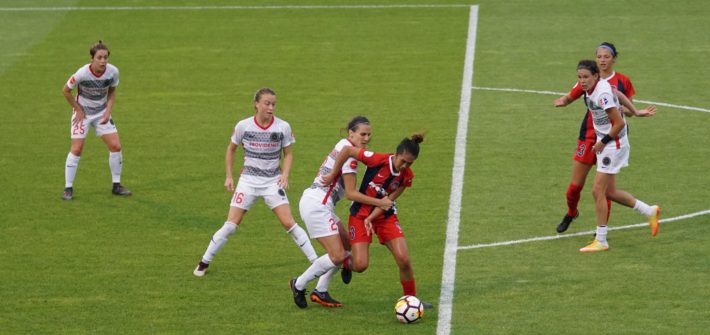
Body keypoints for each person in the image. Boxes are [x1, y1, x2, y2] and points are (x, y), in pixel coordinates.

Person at [193, 88, 317, 276]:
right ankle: (204, 262)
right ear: (256, 104)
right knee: (231, 224)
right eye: (267, 103)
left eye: (273, 104)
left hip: (272, 182)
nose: (271, 107)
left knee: (289, 223)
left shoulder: (283, 127)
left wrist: (285, 175)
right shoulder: (244, 126)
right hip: (248, 182)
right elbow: (231, 149)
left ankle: (316, 262)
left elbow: (289, 154)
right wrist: (229, 176)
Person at [289, 116, 393, 308]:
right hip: (316, 206)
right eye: (362, 134)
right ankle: (299, 284)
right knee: (337, 256)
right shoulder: (350, 158)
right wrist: (381, 202)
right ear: (351, 133)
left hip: (319, 204)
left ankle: (321, 290)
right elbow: (352, 194)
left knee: (347, 247)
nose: (366, 138)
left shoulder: (344, 145)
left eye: (369, 134)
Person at [319, 134, 432, 307]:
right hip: (359, 216)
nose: (405, 166)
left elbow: (388, 203)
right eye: (403, 161)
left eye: (410, 163)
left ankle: (412, 300)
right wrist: (334, 172)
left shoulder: (406, 177)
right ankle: (347, 264)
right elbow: (348, 150)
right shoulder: (377, 160)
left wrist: (372, 218)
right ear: (396, 153)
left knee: (404, 259)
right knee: (361, 265)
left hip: (384, 217)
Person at [553, 42, 656, 233]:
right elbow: (572, 95)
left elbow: (623, 112)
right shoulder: (588, 79)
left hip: (609, 138)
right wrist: (564, 101)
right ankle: (571, 213)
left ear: (614, 58)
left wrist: (627, 110)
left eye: (606, 57)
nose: (602, 60)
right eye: (599, 56)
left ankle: (601, 232)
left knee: (602, 189)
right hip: (589, 136)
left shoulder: (619, 82)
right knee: (575, 188)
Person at [572, 60, 661, 252]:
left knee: (598, 191)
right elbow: (618, 93)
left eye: (586, 77)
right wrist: (636, 111)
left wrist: (601, 143)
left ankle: (601, 240)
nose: (582, 81)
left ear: (596, 76)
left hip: (613, 144)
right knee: (610, 192)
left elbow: (619, 123)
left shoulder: (601, 93)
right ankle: (650, 211)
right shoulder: (599, 87)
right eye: (579, 77)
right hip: (608, 142)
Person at [61, 40, 131, 200]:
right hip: (83, 114)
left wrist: (108, 111)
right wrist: (78, 109)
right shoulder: (82, 73)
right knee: (77, 148)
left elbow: (112, 91)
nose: (103, 61)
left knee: (116, 146)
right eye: (99, 57)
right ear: (92, 58)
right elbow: (65, 91)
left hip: (101, 113)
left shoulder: (113, 72)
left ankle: (116, 186)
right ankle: (68, 188)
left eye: (105, 57)